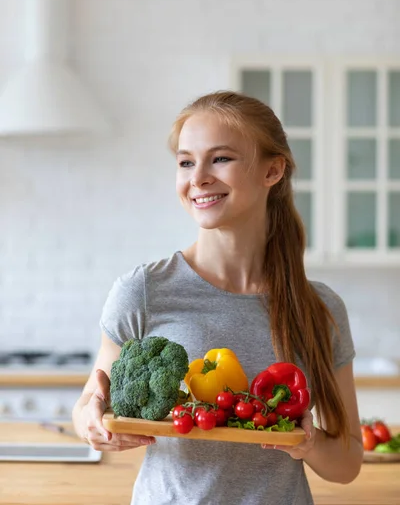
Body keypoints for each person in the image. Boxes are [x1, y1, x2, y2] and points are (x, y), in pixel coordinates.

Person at [72, 90, 363, 505]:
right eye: (186, 162)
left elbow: (348, 462)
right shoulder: (144, 291)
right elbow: (87, 404)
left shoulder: (320, 308)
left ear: (272, 170)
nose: (198, 177)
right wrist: (92, 422)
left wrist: (308, 444)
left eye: (220, 158)